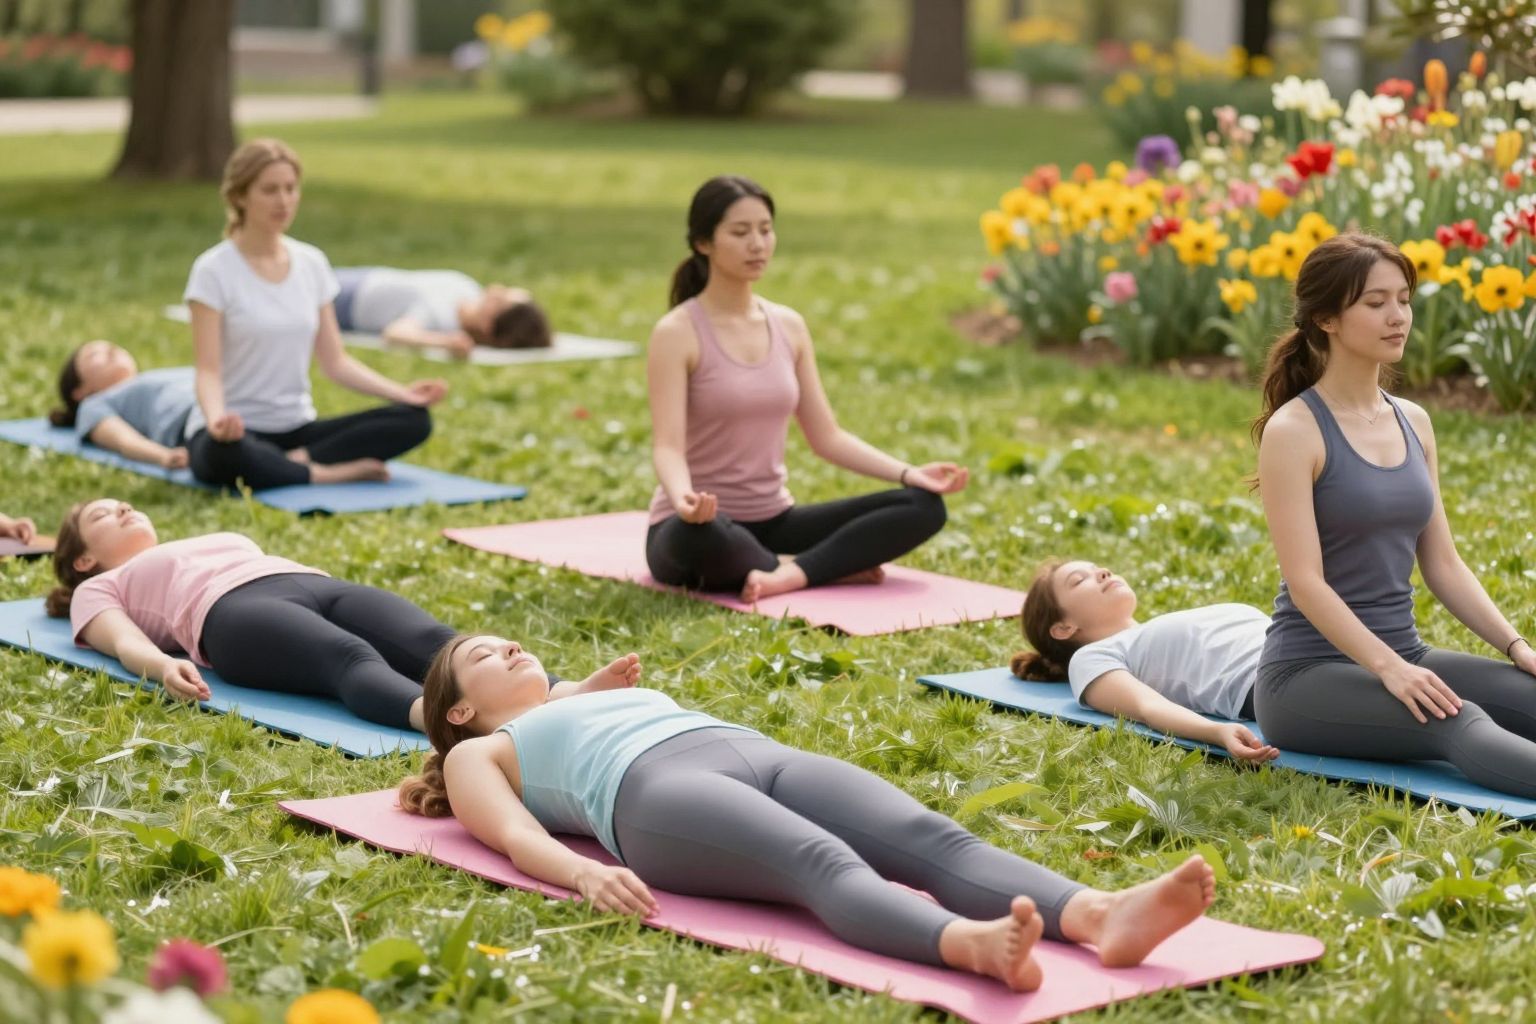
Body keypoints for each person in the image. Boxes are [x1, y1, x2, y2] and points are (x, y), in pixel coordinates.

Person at [397, 633, 1218, 993]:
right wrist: (582, 874)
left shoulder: (572, 698)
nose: (508, 647)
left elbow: (575, 698)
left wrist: (586, 688)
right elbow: (514, 835)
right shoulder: (478, 753)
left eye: (508, 640)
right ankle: (967, 945)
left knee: (927, 835)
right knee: (820, 863)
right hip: (654, 794)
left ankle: (1099, 914)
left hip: (751, 750)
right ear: (458, 711)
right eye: (483, 655)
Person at [1254, 232, 1536, 797]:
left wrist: (1517, 647)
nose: (1397, 316)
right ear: (1327, 319)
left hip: (1406, 651)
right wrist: (1390, 669)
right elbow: (1306, 584)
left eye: (1404, 300)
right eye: (1375, 302)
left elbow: (1444, 565)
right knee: (1456, 720)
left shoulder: (1413, 421)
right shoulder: (1294, 431)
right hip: (1306, 676)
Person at [646, 175, 969, 603]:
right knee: (701, 537)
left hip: (774, 520)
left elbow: (827, 437)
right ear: (703, 243)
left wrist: (909, 473)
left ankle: (790, 572)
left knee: (923, 506)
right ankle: (818, 566)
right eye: (740, 233)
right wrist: (684, 499)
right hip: (698, 527)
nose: (757, 244)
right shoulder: (676, 332)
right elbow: (667, 446)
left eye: (765, 230)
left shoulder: (789, 326)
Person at [44, 498, 602, 731]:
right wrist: (163, 667)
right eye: (102, 514)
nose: (122, 507)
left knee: (433, 639)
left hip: (314, 584)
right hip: (232, 613)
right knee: (349, 657)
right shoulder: (100, 587)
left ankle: (560, 691)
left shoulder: (188, 540)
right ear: (83, 559)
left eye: (122, 504)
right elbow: (124, 643)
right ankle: (449, 724)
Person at [184, 138, 448, 491]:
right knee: (222, 455)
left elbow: (336, 362)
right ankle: (330, 473)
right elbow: (208, 370)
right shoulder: (213, 270)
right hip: (236, 431)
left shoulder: (311, 263)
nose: (283, 201)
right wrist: (218, 420)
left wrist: (403, 394)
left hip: (297, 429)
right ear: (240, 196)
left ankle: (295, 462)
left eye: (290, 189)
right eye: (270, 190)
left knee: (415, 420)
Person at [1011, 559, 1279, 762]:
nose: (1103, 572)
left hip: (1292, 650)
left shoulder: (1150, 632)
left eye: (1096, 568)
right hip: (1267, 681)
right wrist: (1216, 732)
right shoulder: (1091, 657)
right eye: (1079, 580)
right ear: (1063, 628)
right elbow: (1148, 707)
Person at [46, 341, 387, 485]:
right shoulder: (95, 404)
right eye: (94, 355)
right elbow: (121, 439)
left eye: (110, 346)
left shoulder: (158, 375)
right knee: (226, 451)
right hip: (200, 423)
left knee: (400, 421)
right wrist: (161, 456)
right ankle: (324, 471)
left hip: (254, 411)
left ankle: (287, 456)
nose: (109, 349)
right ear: (80, 391)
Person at [333, 267, 551, 358]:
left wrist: (444, 343)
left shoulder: (440, 315)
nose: (496, 288)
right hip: (361, 277)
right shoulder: (469, 289)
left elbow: (394, 334)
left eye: (500, 299)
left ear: (488, 324)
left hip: (342, 301)